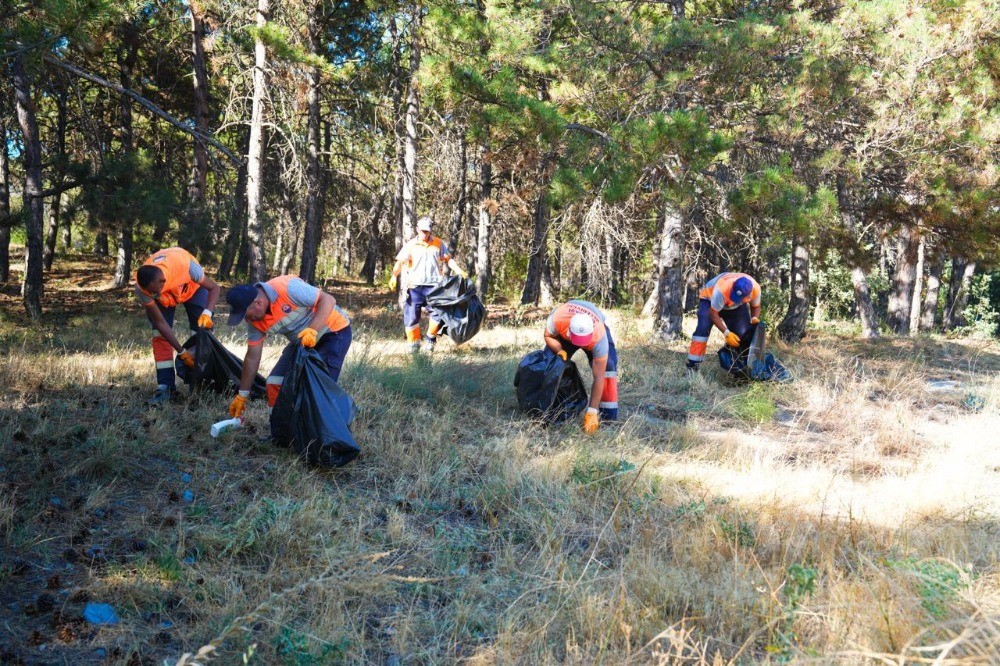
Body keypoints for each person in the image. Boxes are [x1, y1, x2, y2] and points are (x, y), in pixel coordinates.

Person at [225, 275, 352, 421]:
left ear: (258, 303)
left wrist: (312, 330)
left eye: (246, 315)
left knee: (319, 389)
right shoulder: (255, 322)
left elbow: (328, 300)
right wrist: (243, 394)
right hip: (302, 341)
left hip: (334, 333)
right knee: (274, 382)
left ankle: (319, 436)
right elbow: (252, 357)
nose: (247, 320)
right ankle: (280, 433)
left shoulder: (288, 289)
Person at [134, 247, 221, 404]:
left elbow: (215, 288)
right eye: (150, 293)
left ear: (162, 281)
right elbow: (160, 323)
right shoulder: (143, 288)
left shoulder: (188, 267)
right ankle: (165, 387)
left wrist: (207, 312)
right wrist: (181, 352)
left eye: (154, 291)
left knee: (202, 332)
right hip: (168, 298)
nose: (153, 295)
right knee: (159, 337)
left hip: (192, 288)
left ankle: (202, 380)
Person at [389, 216, 467, 353]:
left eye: (428, 231)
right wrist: (394, 276)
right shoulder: (411, 245)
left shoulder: (438, 243)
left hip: (434, 287)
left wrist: (458, 270)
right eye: (423, 231)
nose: (425, 234)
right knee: (411, 317)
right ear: (417, 229)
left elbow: (448, 260)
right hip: (415, 287)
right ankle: (414, 345)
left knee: (438, 314)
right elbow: (400, 262)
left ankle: (430, 340)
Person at [543, 300, 619, 434]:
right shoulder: (558, 319)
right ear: (569, 331)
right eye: (579, 342)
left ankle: (609, 417)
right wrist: (560, 351)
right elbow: (548, 336)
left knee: (608, 368)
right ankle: (548, 408)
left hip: (595, 332)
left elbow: (599, 376)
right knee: (551, 362)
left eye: (584, 343)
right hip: (566, 333)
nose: (581, 346)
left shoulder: (599, 337)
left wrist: (592, 411)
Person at [686, 272, 761, 374]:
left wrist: (754, 318)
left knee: (743, 333)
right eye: (735, 295)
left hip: (733, 307)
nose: (735, 299)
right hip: (709, 300)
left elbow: (755, 306)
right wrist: (726, 333)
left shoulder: (755, 288)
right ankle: (692, 367)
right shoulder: (721, 290)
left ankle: (739, 369)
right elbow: (713, 314)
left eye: (739, 298)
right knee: (702, 330)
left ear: (748, 295)